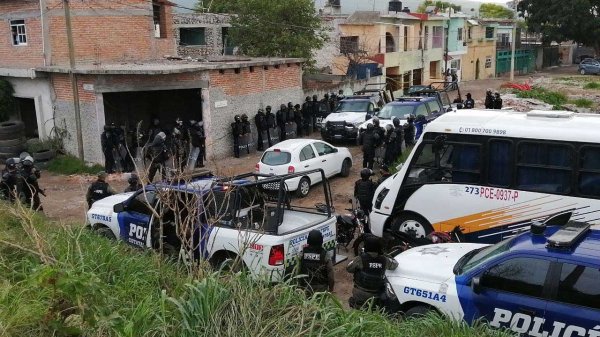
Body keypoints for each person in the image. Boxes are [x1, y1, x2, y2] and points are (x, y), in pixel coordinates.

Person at [346, 235, 398, 309]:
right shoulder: (384, 260)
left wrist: (360, 256)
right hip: (376, 295)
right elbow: (395, 264)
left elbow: (348, 268)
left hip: (360, 293)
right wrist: (383, 254)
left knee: (357, 312)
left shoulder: (360, 259)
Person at [298, 229, 335, 295]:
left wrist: (300, 286)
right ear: (321, 240)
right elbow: (330, 275)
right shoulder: (325, 255)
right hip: (321, 289)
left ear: (308, 240)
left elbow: (298, 271)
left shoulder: (302, 254)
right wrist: (331, 288)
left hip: (306, 288)